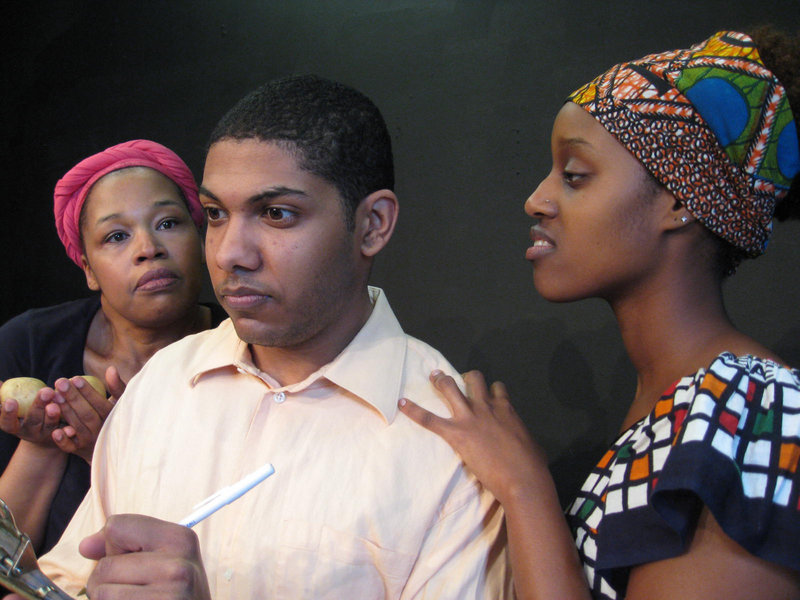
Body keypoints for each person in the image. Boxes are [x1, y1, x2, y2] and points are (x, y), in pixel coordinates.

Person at [32, 76, 510, 599]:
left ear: (372, 224)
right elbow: (70, 580)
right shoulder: (162, 384)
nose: (229, 253)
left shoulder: (450, 442)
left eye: (276, 214)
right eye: (215, 214)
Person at [399, 29, 800, 599]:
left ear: (681, 199)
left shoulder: (753, 415)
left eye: (575, 175)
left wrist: (524, 488)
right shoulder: (685, 401)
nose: (536, 199)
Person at [0, 140, 226, 556]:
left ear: (201, 239)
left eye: (168, 223)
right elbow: (7, 562)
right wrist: (43, 444)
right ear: (88, 268)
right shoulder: (29, 344)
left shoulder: (243, 353)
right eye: (117, 236)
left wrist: (110, 455)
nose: (148, 249)